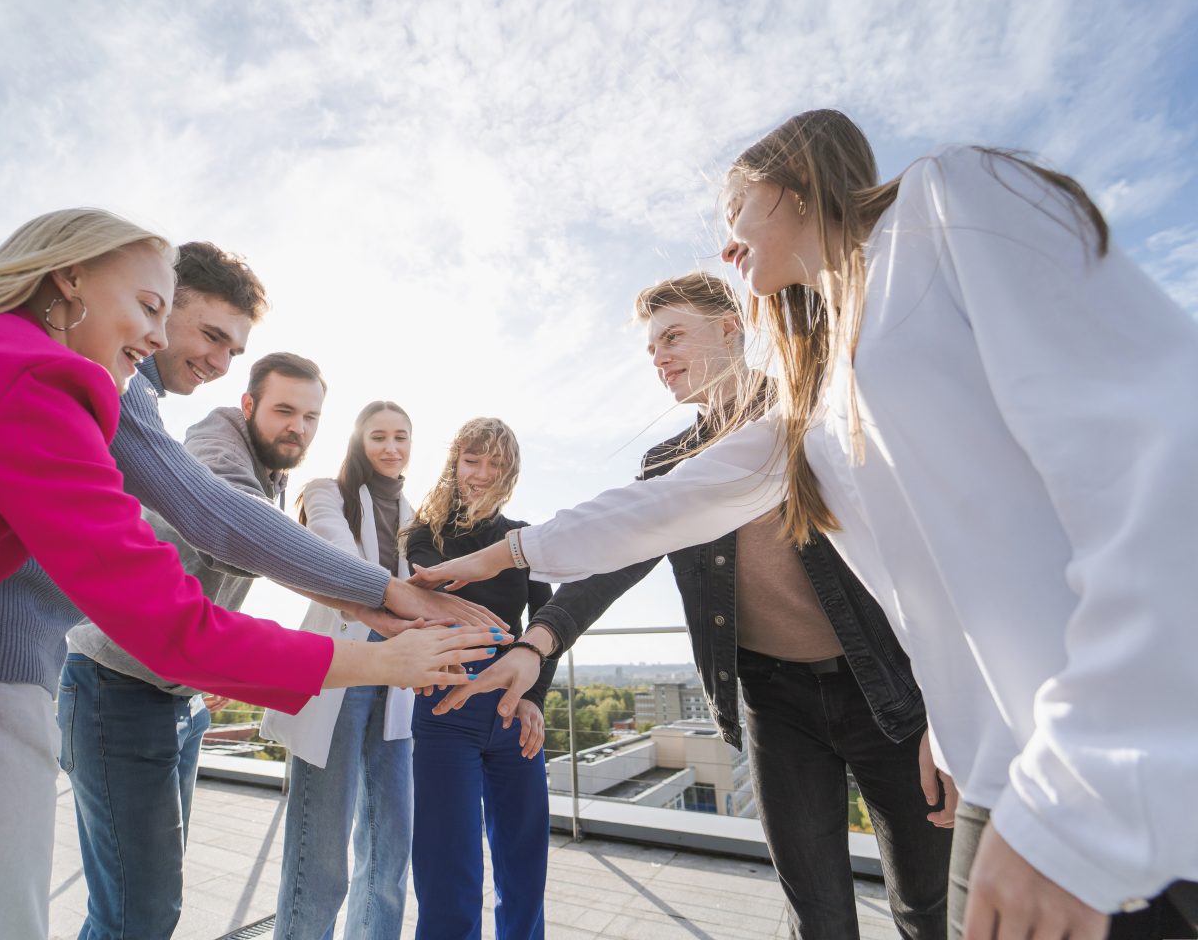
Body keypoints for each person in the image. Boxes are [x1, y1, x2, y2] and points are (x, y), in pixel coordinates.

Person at [408, 112, 1198, 940]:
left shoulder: (948, 204)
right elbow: (670, 505)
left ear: (793, 180)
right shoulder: (815, 403)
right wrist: (507, 553)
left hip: (1119, 753)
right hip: (999, 765)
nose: (726, 246)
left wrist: (1078, 783)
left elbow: (1160, 455)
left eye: (734, 209)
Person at [0, 210, 504, 940]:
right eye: (157, 310)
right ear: (69, 280)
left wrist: (373, 602)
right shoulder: (48, 383)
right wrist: (381, 619)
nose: (156, 342)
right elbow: (198, 554)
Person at [438, 271, 951, 938]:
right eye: (651, 349)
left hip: (885, 692)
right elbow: (611, 559)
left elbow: (927, 560)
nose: (660, 358)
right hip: (775, 703)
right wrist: (535, 647)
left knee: (928, 905)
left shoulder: (813, 413)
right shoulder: (667, 465)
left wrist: (949, 715)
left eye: (674, 336)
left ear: (732, 329)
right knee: (818, 916)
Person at [60, 351, 332, 940]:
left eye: (311, 418)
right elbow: (231, 534)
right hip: (116, 689)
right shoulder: (215, 442)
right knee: (136, 915)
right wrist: (370, 592)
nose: (298, 428)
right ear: (248, 406)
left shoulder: (273, 471)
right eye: (285, 411)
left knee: (150, 906)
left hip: (177, 698)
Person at [264, 400, 422, 940]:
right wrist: (396, 600)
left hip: (396, 679)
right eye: (378, 436)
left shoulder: (415, 515)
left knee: (388, 847)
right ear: (359, 442)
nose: (391, 447)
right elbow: (332, 549)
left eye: (401, 437)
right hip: (343, 669)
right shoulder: (325, 491)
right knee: (321, 850)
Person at [405, 418, 555, 940]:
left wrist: (534, 697)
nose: (483, 474)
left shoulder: (526, 540)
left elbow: (546, 624)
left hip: (514, 705)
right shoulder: (425, 535)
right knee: (449, 871)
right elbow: (430, 600)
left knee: (525, 863)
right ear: (454, 463)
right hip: (447, 703)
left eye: (497, 464)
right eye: (473, 460)